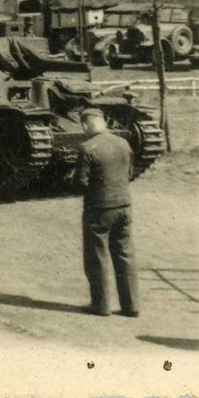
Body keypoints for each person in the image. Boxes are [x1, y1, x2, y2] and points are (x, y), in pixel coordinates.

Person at [73, 107, 140, 317]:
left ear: (85, 125)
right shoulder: (123, 143)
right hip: (124, 206)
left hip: (99, 209)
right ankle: (131, 306)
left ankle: (100, 305)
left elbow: (80, 183)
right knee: (125, 253)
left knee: (97, 255)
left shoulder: (87, 147)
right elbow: (129, 172)